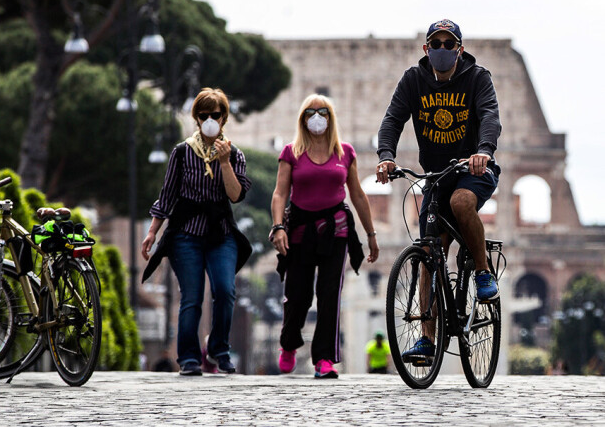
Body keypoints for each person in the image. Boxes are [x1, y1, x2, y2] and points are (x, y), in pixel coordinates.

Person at [375, 19, 502, 362]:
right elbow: (392, 121)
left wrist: (484, 150)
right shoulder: (413, 80)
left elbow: (490, 115)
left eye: (449, 44)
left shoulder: (478, 78)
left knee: (462, 203)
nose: (442, 50)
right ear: (426, 49)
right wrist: (386, 157)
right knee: (429, 254)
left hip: (474, 169)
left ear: (460, 49)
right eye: (437, 43)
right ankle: (427, 341)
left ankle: (482, 270)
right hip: (435, 175)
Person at [141, 88, 252, 376]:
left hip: (220, 232)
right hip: (186, 234)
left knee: (225, 291)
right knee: (191, 296)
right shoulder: (181, 152)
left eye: (215, 115)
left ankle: (218, 349)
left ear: (224, 117)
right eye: (203, 115)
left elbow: (236, 194)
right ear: (197, 118)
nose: (209, 120)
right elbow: (167, 196)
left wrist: (225, 162)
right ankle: (189, 358)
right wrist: (153, 232)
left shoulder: (235, 154)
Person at [271, 93, 380, 379]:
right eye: (310, 112)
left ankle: (324, 359)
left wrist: (370, 233)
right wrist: (278, 226)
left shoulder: (345, 152)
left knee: (330, 293)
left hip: (337, 228)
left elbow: (357, 194)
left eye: (322, 112)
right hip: (299, 229)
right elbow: (280, 193)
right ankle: (289, 344)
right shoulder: (291, 152)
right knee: (298, 295)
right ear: (302, 119)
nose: (316, 117)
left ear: (331, 119)